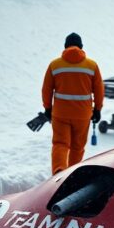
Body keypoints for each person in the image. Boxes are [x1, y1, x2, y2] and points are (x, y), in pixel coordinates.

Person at [42, 33, 104, 175]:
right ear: (81, 47)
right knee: (77, 147)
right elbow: (99, 89)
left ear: (65, 47)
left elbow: (46, 89)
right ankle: (72, 174)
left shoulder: (55, 65)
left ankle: (58, 171)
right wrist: (98, 109)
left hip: (60, 114)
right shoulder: (92, 66)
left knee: (60, 144)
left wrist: (47, 108)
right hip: (82, 115)